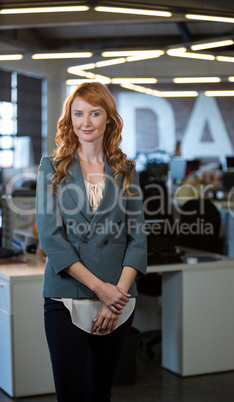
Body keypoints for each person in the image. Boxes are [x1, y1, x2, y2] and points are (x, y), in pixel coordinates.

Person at [36, 82, 147, 402]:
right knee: (70, 395)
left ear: (108, 119)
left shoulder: (126, 171)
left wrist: (118, 297)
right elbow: (52, 239)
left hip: (119, 299)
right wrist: (102, 290)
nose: (86, 121)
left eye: (95, 113)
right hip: (67, 295)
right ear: (69, 120)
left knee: (100, 393)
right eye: (78, 113)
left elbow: (137, 239)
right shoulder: (52, 168)